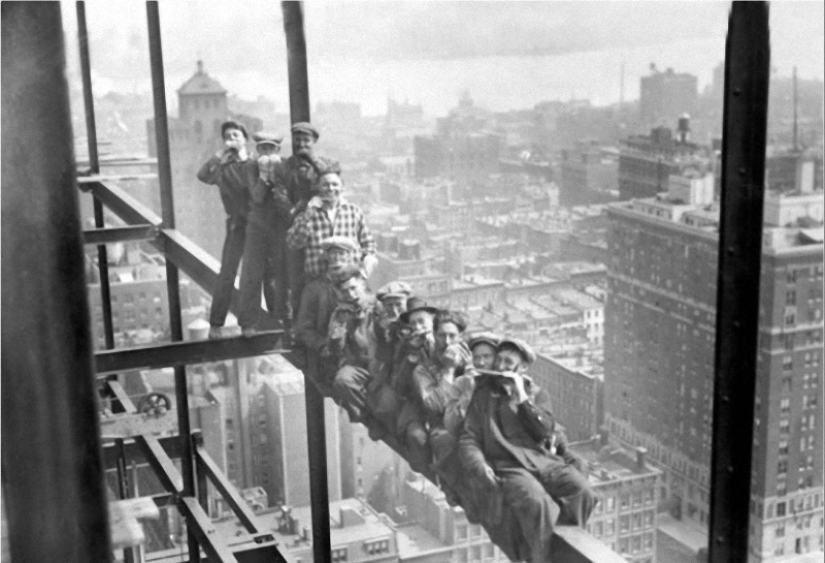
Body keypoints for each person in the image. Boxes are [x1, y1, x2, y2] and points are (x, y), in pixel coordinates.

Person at [459, 338, 597, 563]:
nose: (501, 366)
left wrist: (522, 398)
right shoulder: (484, 395)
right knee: (538, 502)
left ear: (522, 368)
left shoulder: (537, 395)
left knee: (583, 492)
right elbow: (469, 437)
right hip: (509, 467)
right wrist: (479, 464)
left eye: (508, 362)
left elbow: (544, 431)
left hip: (544, 462)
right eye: (499, 360)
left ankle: (564, 550)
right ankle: (539, 559)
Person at [196, 120, 257, 339]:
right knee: (227, 274)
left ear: (245, 139)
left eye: (236, 135)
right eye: (227, 136)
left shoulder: (255, 164)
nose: (231, 139)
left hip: (256, 227)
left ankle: (248, 324)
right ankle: (216, 324)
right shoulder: (223, 168)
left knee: (251, 275)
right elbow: (203, 175)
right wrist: (220, 153)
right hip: (236, 226)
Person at [286, 160, 377, 297]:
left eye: (335, 184)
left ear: (342, 187)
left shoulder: (353, 212)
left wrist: (363, 273)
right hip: (318, 285)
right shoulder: (309, 213)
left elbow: (369, 244)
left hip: (349, 286)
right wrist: (307, 216)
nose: (330, 189)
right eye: (325, 185)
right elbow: (293, 243)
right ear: (317, 187)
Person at [237, 131, 289, 336]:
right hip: (257, 225)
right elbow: (257, 197)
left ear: (277, 150)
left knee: (279, 272)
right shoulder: (251, 167)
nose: (266, 152)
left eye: (271, 148)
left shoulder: (284, 166)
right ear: (258, 150)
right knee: (252, 272)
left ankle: (281, 317)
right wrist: (265, 176)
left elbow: (286, 197)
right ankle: (248, 322)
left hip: (279, 225)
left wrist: (277, 177)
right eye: (263, 148)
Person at [271, 122, 325, 317]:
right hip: (292, 231)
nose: (301, 144)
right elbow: (280, 197)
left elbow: (329, 187)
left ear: (314, 141)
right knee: (293, 281)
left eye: (306, 140)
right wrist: (298, 211)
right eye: (298, 139)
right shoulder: (283, 168)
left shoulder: (325, 166)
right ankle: (296, 330)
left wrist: (313, 161)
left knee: (320, 280)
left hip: (319, 232)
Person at [293, 236, 360, 382]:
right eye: (332, 254)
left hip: (356, 355)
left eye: (341, 254)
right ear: (326, 257)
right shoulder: (314, 289)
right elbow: (303, 328)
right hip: (327, 359)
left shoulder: (357, 287)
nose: (336, 259)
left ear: (349, 257)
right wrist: (321, 345)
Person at [391, 297, 438, 471]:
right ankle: (425, 468)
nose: (418, 328)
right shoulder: (404, 348)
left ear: (432, 321)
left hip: (443, 401)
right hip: (416, 405)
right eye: (413, 325)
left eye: (422, 322)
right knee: (416, 436)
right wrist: (410, 358)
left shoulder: (445, 341)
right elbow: (399, 387)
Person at [327, 265, 378, 425]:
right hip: (360, 366)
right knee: (342, 380)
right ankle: (370, 416)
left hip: (382, 364)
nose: (351, 294)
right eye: (345, 291)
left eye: (353, 288)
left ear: (362, 283)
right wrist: (341, 324)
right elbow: (335, 350)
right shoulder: (340, 314)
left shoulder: (378, 305)